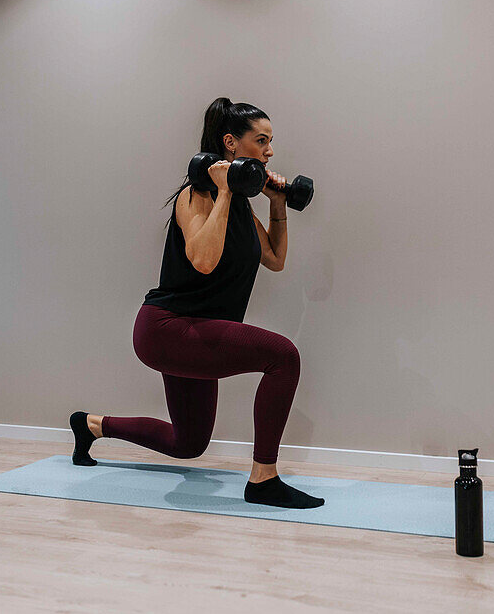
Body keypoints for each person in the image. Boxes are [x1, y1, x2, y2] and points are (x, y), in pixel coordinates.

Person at [69, 97, 324, 509]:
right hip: (167, 328)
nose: (270, 151)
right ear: (230, 144)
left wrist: (278, 205)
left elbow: (274, 260)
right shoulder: (197, 195)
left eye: (271, 142)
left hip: (197, 333)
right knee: (284, 357)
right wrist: (224, 190)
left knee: (187, 444)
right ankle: (263, 480)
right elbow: (203, 260)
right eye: (261, 141)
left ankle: (90, 426)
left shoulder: (242, 207)